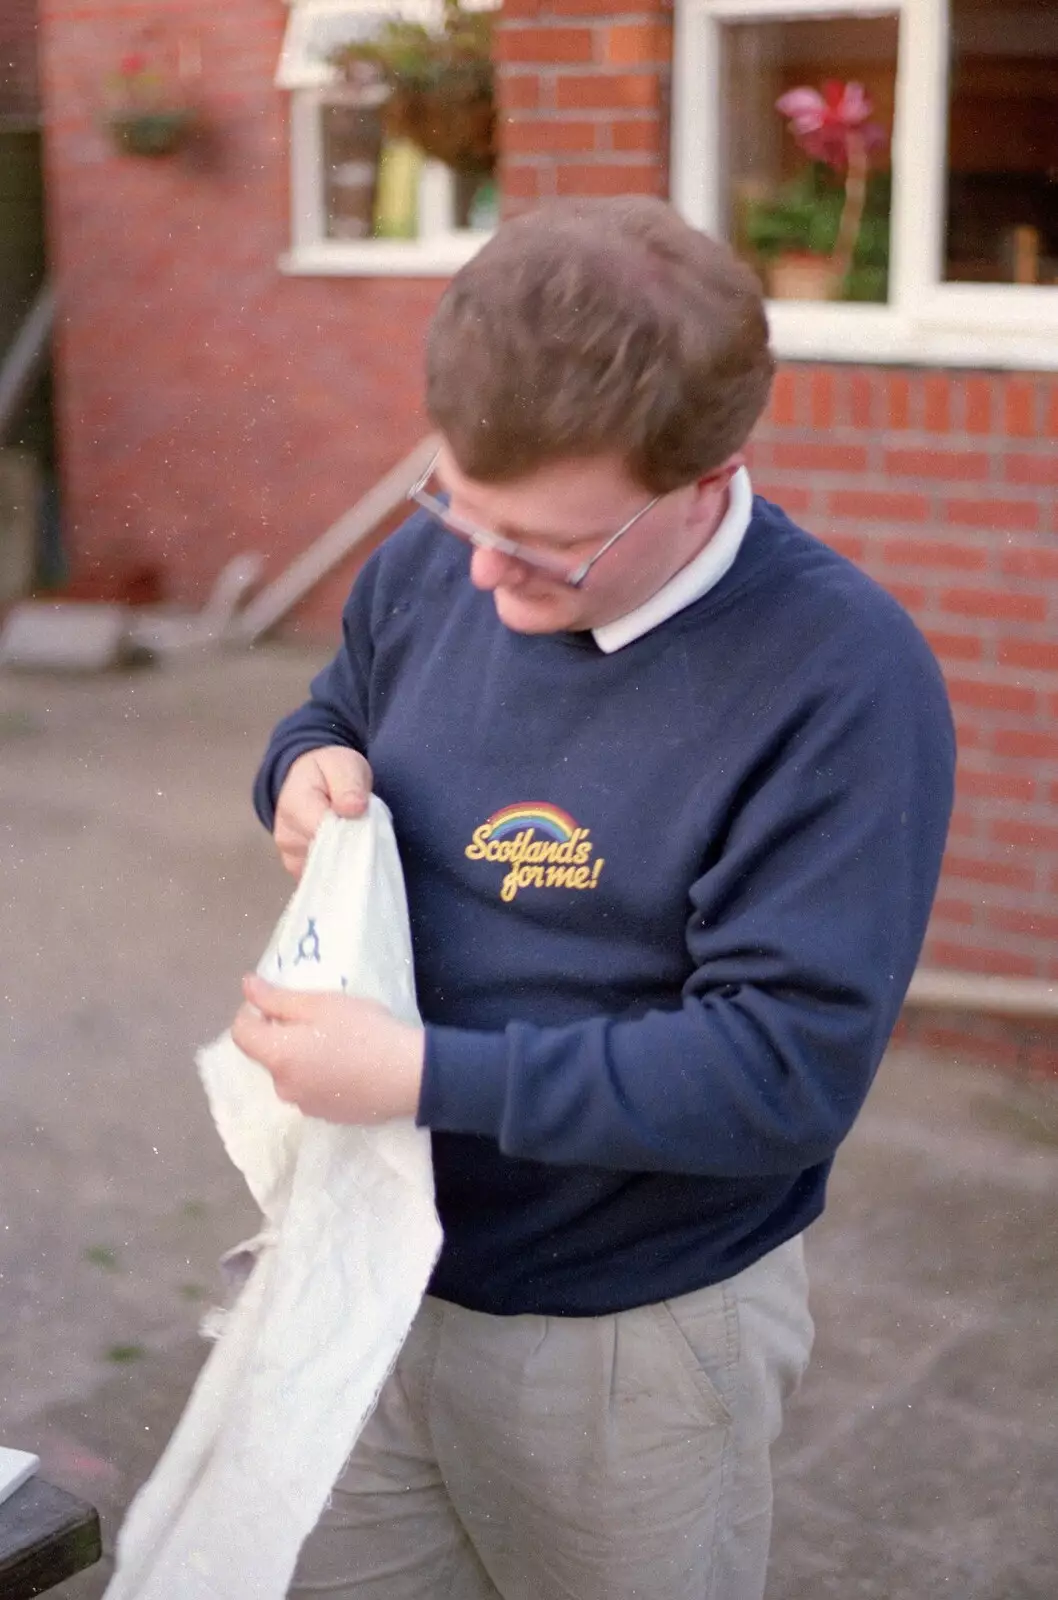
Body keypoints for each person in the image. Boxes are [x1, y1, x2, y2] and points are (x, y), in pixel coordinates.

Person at [231, 196, 955, 1600]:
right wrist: (304, 767)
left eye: (548, 549)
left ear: (705, 478)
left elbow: (779, 1074)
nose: (484, 576)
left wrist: (416, 1074)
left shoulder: (840, 685)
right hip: (369, 1273)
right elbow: (336, 704)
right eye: (458, 507)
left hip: (625, 1341)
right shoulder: (445, 559)